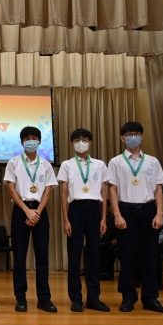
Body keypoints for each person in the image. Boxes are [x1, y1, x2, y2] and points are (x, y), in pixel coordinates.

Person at [106, 121, 163, 313]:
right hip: (126, 211)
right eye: (129, 134)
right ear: (122, 138)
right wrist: (117, 214)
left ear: (142, 136)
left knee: (150, 255)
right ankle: (128, 297)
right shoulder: (116, 162)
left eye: (137, 134)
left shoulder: (152, 161)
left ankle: (150, 298)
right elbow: (112, 189)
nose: (133, 137)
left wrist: (159, 213)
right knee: (127, 255)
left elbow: (158, 189)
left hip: (148, 210)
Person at [5, 126, 58, 313]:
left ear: (40, 141)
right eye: (27, 139)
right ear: (21, 142)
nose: (31, 141)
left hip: (40, 212)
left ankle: (44, 299)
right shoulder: (13, 163)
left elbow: (48, 191)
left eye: (34, 138)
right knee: (19, 258)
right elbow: (10, 188)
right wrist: (27, 211)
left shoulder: (46, 165)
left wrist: (37, 212)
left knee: (42, 258)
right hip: (21, 210)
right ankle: (21, 298)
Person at [57, 128, 110, 312]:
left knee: (94, 255)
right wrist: (65, 219)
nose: (81, 142)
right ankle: (76, 298)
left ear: (91, 142)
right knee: (74, 255)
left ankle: (94, 298)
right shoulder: (67, 165)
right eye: (77, 140)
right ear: (72, 143)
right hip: (76, 209)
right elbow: (63, 194)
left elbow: (104, 192)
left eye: (85, 139)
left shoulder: (99, 165)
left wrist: (104, 218)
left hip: (94, 209)